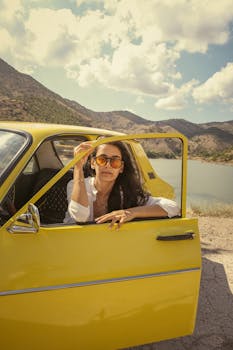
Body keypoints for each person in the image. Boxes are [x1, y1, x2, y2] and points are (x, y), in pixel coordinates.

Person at [64, 140, 180, 228]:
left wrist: (130, 212)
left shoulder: (126, 193)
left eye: (115, 161)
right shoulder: (74, 184)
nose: (108, 165)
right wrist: (78, 166)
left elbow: (173, 207)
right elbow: (80, 216)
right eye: (102, 159)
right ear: (93, 163)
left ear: (121, 168)